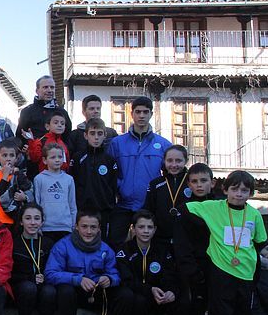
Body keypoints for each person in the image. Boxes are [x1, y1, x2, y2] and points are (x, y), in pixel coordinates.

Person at [185, 171, 268, 315]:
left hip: (246, 272)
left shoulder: (254, 214)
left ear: (251, 193)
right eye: (234, 189)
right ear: (225, 190)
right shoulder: (213, 207)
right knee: (220, 314)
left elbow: (260, 241)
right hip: (221, 270)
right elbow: (183, 209)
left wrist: (266, 251)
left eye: (244, 190)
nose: (239, 194)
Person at [45, 210, 136, 315]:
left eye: (93, 227)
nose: (88, 231)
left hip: (98, 292)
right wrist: (77, 279)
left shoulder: (106, 249)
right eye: (84, 226)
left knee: (126, 295)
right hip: (75, 292)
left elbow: (115, 274)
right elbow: (50, 274)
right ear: (76, 227)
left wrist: (109, 279)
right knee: (65, 291)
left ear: (99, 228)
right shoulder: (63, 245)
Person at [116, 210, 188, 315]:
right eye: (141, 227)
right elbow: (126, 280)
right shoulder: (124, 250)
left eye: (150, 227)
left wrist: (171, 291)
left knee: (183, 300)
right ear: (133, 228)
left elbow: (170, 274)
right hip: (140, 296)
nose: (146, 231)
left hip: (159, 297)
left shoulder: (162, 249)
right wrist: (149, 290)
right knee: (137, 299)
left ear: (155, 229)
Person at [106, 96, 171, 246]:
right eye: (138, 112)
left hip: (149, 206)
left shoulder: (163, 145)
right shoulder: (117, 143)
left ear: (151, 114)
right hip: (123, 205)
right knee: (115, 244)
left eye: (145, 112)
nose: (142, 115)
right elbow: (109, 173)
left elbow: (169, 174)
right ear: (132, 114)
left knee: (152, 246)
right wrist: (119, 187)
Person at [175, 163, 222, 315]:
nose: (199, 185)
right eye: (194, 181)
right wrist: (191, 269)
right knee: (197, 305)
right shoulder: (185, 209)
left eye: (203, 181)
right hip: (197, 266)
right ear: (189, 184)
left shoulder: (222, 206)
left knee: (220, 307)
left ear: (212, 182)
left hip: (221, 265)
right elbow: (181, 243)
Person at [11, 204, 56, 315]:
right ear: (21, 221)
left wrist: (46, 277)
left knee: (50, 291)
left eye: (37, 218)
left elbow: (55, 268)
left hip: (43, 285)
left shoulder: (48, 244)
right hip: (21, 287)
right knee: (28, 288)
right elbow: (9, 273)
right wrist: (30, 278)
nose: (32, 222)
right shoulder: (14, 243)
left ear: (42, 221)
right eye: (28, 218)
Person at [69, 118, 118, 240]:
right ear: (86, 135)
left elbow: (113, 185)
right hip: (82, 209)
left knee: (102, 242)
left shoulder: (110, 160)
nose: (96, 137)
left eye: (99, 133)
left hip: (103, 211)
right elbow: (73, 182)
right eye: (92, 133)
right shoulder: (78, 158)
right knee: (82, 242)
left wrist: (110, 207)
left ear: (105, 135)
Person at [143, 145, 190, 245]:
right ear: (164, 161)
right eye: (169, 160)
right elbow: (148, 209)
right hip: (160, 239)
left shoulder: (192, 182)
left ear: (186, 161)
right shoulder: (155, 184)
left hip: (187, 238)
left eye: (178, 161)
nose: (174, 165)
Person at [34, 143, 77, 242]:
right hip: (46, 227)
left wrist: (73, 225)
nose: (57, 160)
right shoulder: (39, 179)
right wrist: (38, 226)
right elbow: (37, 204)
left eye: (60, 157)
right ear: (45, 160)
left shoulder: (69, 179)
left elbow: (72, 205)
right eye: (53, 157)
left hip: (65, 227)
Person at [15, 76, 71, 149]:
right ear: (37, 90)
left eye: (52, 87)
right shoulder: (27, 111)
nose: (49, 90)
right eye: (45, 87)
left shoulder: (62, 112)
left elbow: (68, 136)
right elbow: (19, 136)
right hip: (33, 154)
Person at [0, 138, 33, 225]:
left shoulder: (19, 175)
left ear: (16, 158)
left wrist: (24, 197)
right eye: (4, 155)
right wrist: (5, 175)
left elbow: (29, 190)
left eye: (11, 155)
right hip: (0, 219)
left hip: (18, 218)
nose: (8, 159)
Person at [26, 110, 70, 175]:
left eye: (62, 123)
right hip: (45, 177)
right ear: (47, 126)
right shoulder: (42, 141)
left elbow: (67, 162)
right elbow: (34, 158)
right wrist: (31, 141)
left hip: (61, 177)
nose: (59, 125)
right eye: (56, 123)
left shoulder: (64, 144)